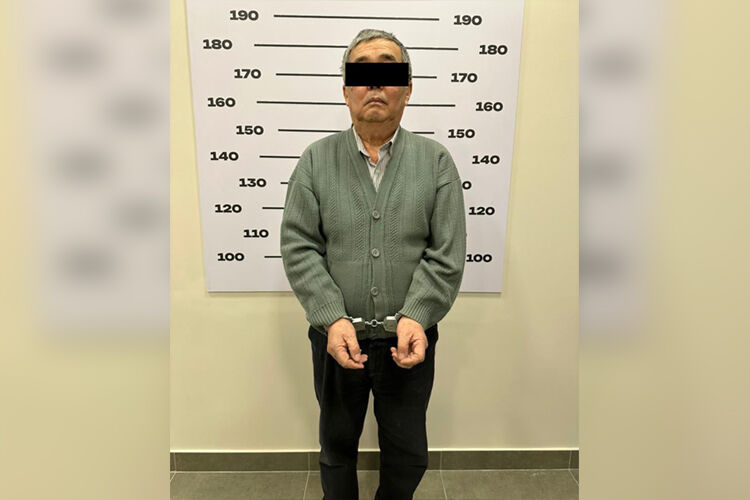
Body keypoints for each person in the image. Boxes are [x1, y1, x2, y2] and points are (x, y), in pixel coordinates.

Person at [280, 28, 467, 500]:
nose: (376, 84)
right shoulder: (315, 161)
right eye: (363, 72)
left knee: (408, 453)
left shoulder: (436, 162)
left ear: (407, 88)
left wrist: (417, 315)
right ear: (346, 90)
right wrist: (331, 317)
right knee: (336, 448)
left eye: (389, 71)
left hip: (409, 338)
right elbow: (299, 246)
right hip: (336, 338)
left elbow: (446, 252)